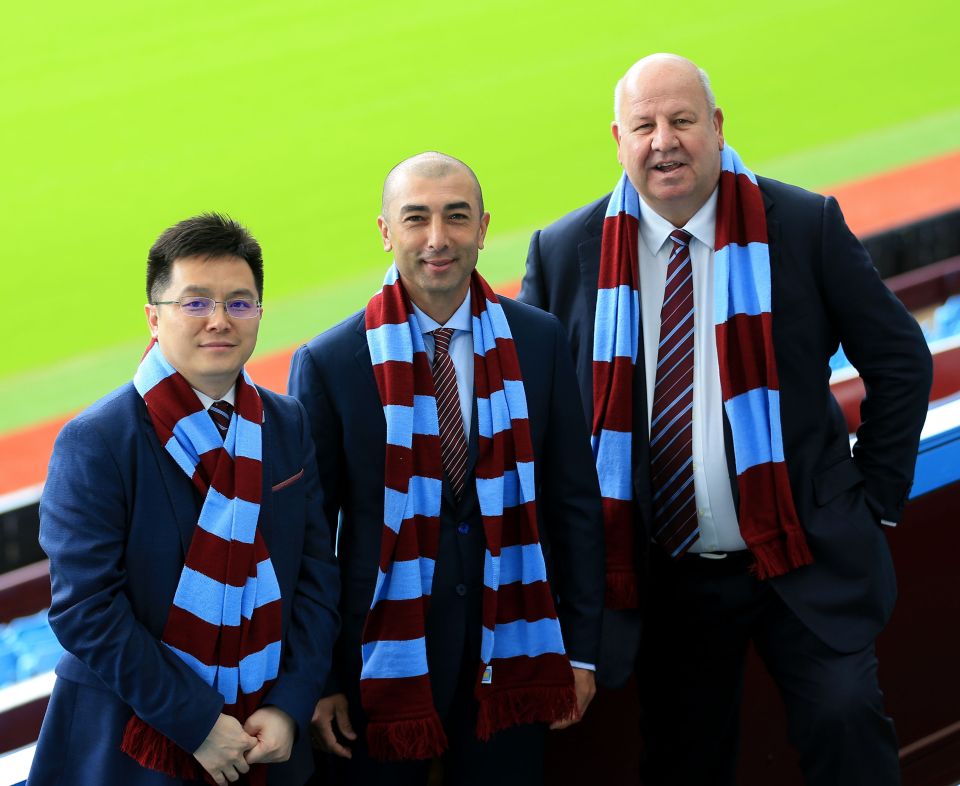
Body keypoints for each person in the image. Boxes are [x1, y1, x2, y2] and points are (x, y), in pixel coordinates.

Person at [519, 54, 932, 786]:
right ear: (618, 139)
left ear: (716, 126)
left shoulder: (803, 224)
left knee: (846, 728)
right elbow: (535, 423)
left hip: (800, 553)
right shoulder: (563, 251)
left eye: (681, 120)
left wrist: (872, 503)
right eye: (643, 125)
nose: (663, 141)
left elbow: (900, 360)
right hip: (664, 578)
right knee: (684, 762)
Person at [288, 152, 604, 786]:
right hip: (378, 665)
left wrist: (580, 650)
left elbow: (573, 501)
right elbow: (309, 540)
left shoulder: (538, 341)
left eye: (457, 218)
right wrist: (318, 681)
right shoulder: (328, 363)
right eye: (417, 219)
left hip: (516, 649)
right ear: (385, 231)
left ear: (484, 228)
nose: (438, 239)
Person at [28, 214, 341, 786]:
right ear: (153, 317)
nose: (219, 321)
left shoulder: (286, 423)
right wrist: (197, 722)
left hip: (266, 740)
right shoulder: (97, 440)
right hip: (136, 746)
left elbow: (317, 576)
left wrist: (289, 705)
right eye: (195, 303)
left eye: (240, 303)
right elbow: (85, 608)